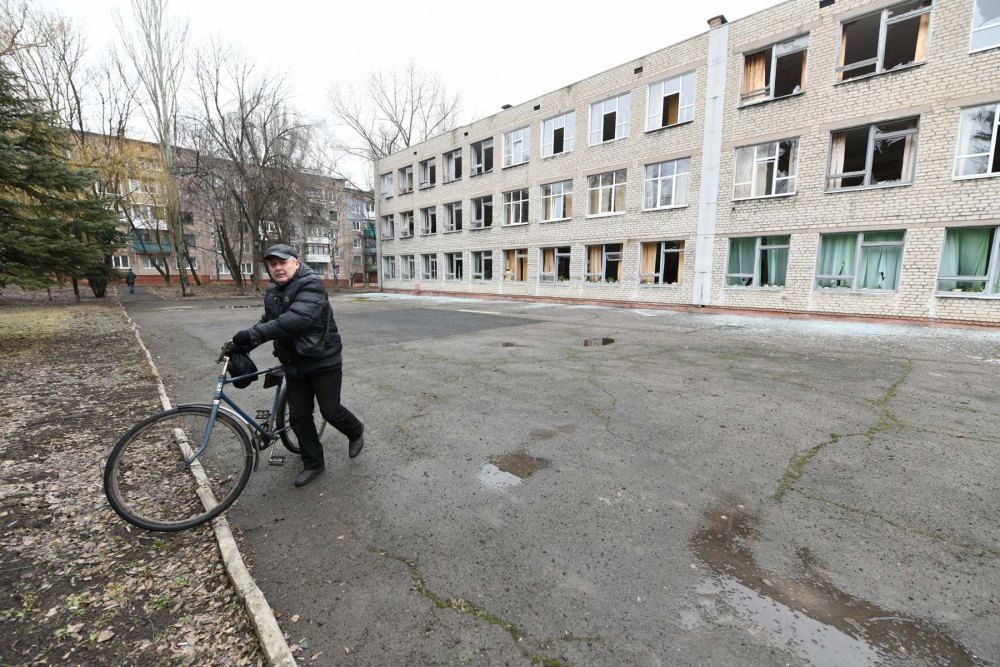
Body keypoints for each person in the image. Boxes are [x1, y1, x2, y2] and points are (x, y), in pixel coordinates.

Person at [230, 244, 365, 487]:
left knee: (330, 411)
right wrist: (243, 345)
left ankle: (355, 431)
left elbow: (296, 319)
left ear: (296, 263)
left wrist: (250, 335)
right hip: (293, 364)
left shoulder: (311, 284)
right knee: (300, 418)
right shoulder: (272, 292)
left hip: (323, 360)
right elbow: (269, 321)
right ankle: (313, 462)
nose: (278, 268)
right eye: (273, 264)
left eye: (282, 262)